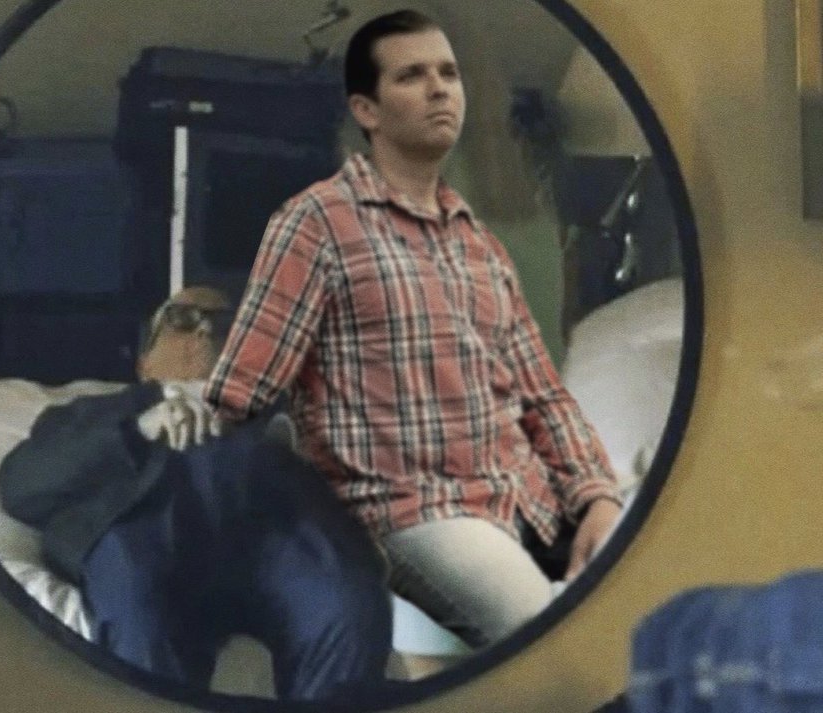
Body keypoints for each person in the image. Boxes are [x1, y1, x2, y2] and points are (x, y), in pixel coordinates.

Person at [204, 10, 623, 648]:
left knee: (650, 601)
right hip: (411, 509)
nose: (438, 90)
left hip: (518, 493)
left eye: (449, 74)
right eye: (412, 76)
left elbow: (543, 393)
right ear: (365, 110)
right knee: (553, 642)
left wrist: (597, 497)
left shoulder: (478, 243)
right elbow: (240, 394)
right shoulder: (316, 224)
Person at [0, 287, 391, 702]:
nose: (203, 331)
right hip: (146, 533)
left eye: (223, 324)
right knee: (139, 608)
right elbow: (21, 485)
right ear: (145, 361)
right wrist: (139, 429)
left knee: (350, 606)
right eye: (182, 319)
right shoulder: (99, 411)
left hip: (274, 535)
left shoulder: (288, 414)